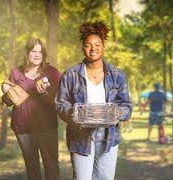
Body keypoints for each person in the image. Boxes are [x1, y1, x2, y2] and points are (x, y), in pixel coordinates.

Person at [55, 21, 132, 180]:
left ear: (103, 47)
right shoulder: (71, 74)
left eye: (97, 44)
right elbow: (60, 104)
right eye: (88, 45)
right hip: (80, 138)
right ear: (82, 48)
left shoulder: (117, 75)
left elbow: (127, 106)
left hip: (108, 138)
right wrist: (75, 113)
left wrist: (114, 113)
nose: (93, 49)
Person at [1, 38, 61, 180]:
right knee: (32, 166)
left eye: (40, 51)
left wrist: (45, 93)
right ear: (27, 53)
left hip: (46, 128)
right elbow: (9, 102)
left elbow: (59, 100)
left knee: (51, 166)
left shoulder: (52, 72)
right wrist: (6, 91)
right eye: (33, 51)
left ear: (44, 54)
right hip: (23, 128)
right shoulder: (16, 73)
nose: (37, 54)